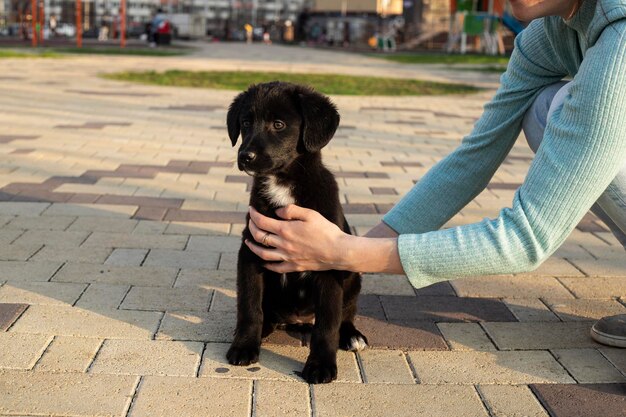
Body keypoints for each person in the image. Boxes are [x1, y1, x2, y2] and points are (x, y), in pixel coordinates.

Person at [244, 0, 626, 348]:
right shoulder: (547, 35)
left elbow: (526, 239)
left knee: (563, 106)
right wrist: (346, 251)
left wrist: (345, 251)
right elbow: (473, 158)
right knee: (545, 108)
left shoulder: (620, 38)